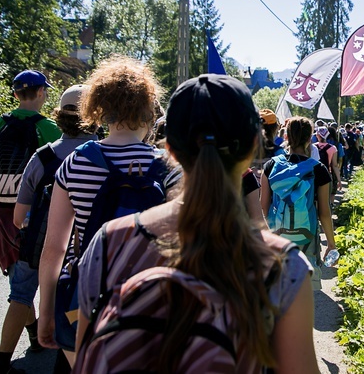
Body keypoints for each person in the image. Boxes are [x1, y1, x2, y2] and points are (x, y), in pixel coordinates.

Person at [74, 74, 319, 373]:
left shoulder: (110, 242)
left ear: (169, 150)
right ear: (254, 145)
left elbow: (87, 355)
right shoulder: (283, 265)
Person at [37, 57, 171, 365]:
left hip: (85, 301)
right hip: (154, 302)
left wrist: (47, 313)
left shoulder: (75, 163)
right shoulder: (168, 166)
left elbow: (54, 249)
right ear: (149, 110)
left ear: (98, 108)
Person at [0, 70, 61, 374]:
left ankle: (34, 338)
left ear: (14, 94)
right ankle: (2, 365)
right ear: (42, 93)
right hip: (34, 218)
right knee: (21, 290)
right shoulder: (49, 129)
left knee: (18, 281)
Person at [11, 84, 98, 374]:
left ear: (60, 116)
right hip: (91, 264)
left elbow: (19, 216)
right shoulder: (104, 160)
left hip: (45, 253)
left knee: (22, 297)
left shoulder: (42, 157)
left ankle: (3, 363)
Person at [261, 116, 336, 291]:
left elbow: (263, 206)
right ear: (310, 138)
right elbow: (324, 212)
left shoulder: (271, 166)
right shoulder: (318, 169)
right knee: (304, 285)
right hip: (306, 234)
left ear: (286, 136)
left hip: (277, 234)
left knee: (277, 284)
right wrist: (331, 244)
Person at [313, 125, 342, 205]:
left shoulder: (312, 147)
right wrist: (339, 180)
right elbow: (334, 165)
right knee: (327, 196)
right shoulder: (333, 148)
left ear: (317, 135)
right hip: (327, 174)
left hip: (313, 174)